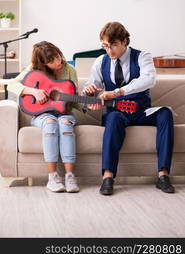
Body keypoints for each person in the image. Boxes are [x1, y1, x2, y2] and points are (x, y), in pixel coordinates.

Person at [83, 21, 175, 195]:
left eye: (113, 45)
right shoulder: (100, 61)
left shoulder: (142, 56)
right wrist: (89, 90)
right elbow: (92, 86)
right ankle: (108, 177)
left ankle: (163, 176)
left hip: (142, 112)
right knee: (113, 118)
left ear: (125, 41)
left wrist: (118, 92)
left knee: (165, 113)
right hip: (117, 113)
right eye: (105, 46)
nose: (109, 51)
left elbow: (149, 80)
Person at [7, 41, 80, 193]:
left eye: (58, 56)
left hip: (64, 112)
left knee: (65, 123)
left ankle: (70, 176)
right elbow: (12, 84)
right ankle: (52, 177)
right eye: (51, 61)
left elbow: (74, 99)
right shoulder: (34, 70)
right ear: (43, 63)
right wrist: (33, 91)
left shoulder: (70, 70)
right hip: (42, 114)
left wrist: (87, 105)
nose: (57, 61)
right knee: (51, 122)